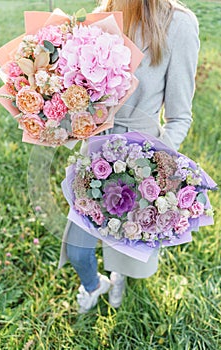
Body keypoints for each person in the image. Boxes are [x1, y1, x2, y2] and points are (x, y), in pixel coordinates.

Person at [58, 0, 200, 313]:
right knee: (78, 248)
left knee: (125, 241)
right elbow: (81, 92)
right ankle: (95, 285)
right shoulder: (100, 16)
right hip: (95, 151)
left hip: (140, 158)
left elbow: (179, 117)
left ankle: (118, 275)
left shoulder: (180, 24)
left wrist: (154, 161)